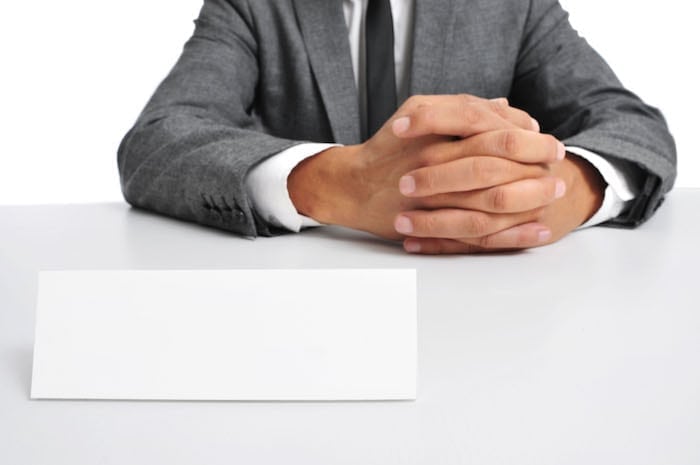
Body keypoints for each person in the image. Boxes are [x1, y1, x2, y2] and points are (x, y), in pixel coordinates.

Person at [117, 0, 676, 254]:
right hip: (301, 318)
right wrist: (335, 181)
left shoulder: (513, 7)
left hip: (492, 320)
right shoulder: (253, 7)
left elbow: (630, 124)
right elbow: (156, 140)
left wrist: (563, 191)